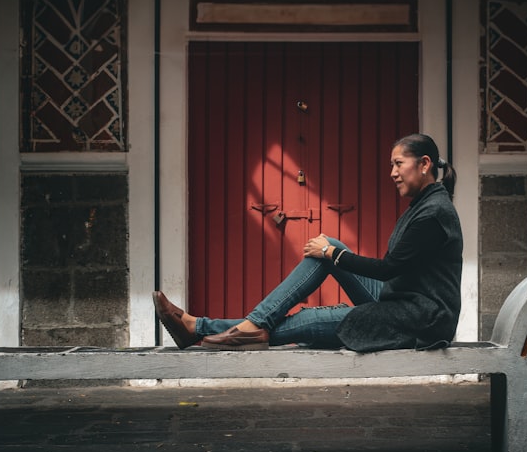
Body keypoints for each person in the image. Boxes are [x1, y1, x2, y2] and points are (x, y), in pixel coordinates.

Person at [154, 133, 462, 352]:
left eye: (398, 164)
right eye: (392, 166)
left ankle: (201, 327)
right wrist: (330, 251)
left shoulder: (432, 214)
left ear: (424, 164)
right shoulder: (427, 205)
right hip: (401, 305)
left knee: (308, 317)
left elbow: (387, 269)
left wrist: (332, 254)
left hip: (418, 321)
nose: (393, 173)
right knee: (327, 246)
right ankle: (239, 324)